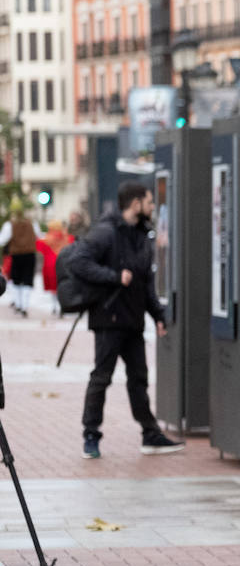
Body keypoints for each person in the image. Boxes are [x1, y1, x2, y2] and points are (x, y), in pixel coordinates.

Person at [68, 181, 183, 459]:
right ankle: (91, 435)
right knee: (101, 378)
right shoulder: (106, 232)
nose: (152, 206)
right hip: (108, 319)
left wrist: (158, 316)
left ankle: (150, 434)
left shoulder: (141, 235)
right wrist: (114, 276)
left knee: (138, 379)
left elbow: (145, 283)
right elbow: (78, 261)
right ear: (135, 204)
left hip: (132, 321)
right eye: (149, 201)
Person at [0, 200, 38, 317]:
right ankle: (24, 306)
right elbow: (39, 236)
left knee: (15, 280)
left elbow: (2, 240)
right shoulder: (32, 223)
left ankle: (19, 304)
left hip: (16, 255)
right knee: (27, 280)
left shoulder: (9, 225)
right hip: (30, 254)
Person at [35, 219, 72, 315]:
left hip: (50, 265)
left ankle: (54, 306)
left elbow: (37, 245)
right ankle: (61, 305)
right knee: (61, 285)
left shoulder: (46, 239)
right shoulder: (67, 238)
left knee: (53, 287)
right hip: (63, 264)